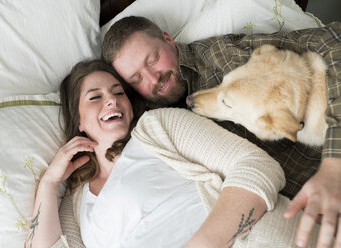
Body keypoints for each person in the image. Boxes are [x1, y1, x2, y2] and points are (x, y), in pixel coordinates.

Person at [25, 59, 319, 248]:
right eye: (95, 97)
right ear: (77, 120)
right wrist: (49, 183)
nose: (112, 101)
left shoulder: (157, 127)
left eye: (118, 92)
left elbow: (258, 167)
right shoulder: (75, 204)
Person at [102, 16, 341, 248]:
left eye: (153, 59)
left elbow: (332, 41)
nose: (154, 78)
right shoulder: (151, 124)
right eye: (137, 79)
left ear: (168, 39)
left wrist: (333, 164)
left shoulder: (220, 58)